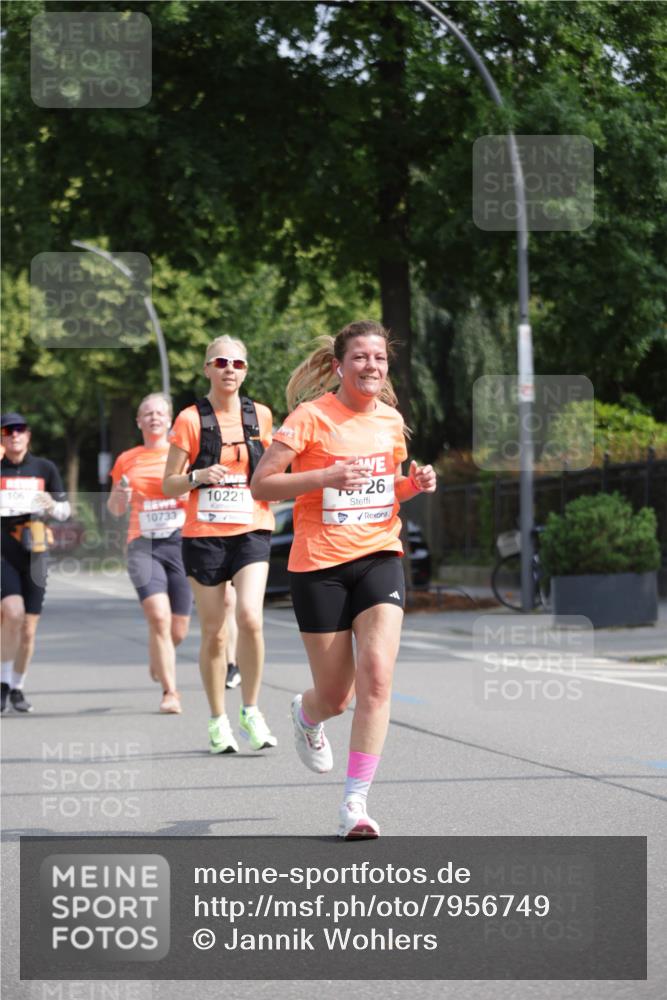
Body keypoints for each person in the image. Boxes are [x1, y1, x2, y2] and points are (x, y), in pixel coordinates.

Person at [250, 320, 436, 839]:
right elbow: (261, 485)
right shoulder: (309, 419)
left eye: (379, 358)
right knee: (337, 697)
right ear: (339, 366)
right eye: (360, 357)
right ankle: (307, 715)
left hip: (379, 554)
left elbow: (386, 489)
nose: (371, 366)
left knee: (377, 674)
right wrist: (323, 476)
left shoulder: (391, 422)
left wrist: (413, 484)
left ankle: (355, 804)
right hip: (320, 565)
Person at [163, 335, 276, 754]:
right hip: (205, 536)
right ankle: (217, 719)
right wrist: (196, 476)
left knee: (249, 616)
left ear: (246, 370)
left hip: (251, 528)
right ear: (207, 368)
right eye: (221, 362)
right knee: (213, 633)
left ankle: (251, 709)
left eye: (239, 364)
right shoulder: (190, 419)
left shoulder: (261, 415)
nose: (230, 369)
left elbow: (273, 466)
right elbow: (168, 482)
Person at [108, 393, 192, 714]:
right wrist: (120, 494)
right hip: (142, 544)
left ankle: (159, 653)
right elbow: (115, 510)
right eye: (147, 413)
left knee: (178, 630)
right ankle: (171, 692)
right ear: (139, 422)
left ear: (169, 419)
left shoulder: (183, 456)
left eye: (160, 412)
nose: (154, 417)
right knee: (158, 616)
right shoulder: (127, 459)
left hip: (181, 542)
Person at [1, 412, 71, 713]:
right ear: (2, 437)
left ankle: (17, 686)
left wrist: (52, 506)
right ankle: (3, 684)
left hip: (37, 553)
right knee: (12, 613)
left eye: (20, 430)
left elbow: (66, 511)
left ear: (28, 435)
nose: (14, 435)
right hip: (3, 552)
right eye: (8, 431)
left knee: (28, 628)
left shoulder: (45, 468)